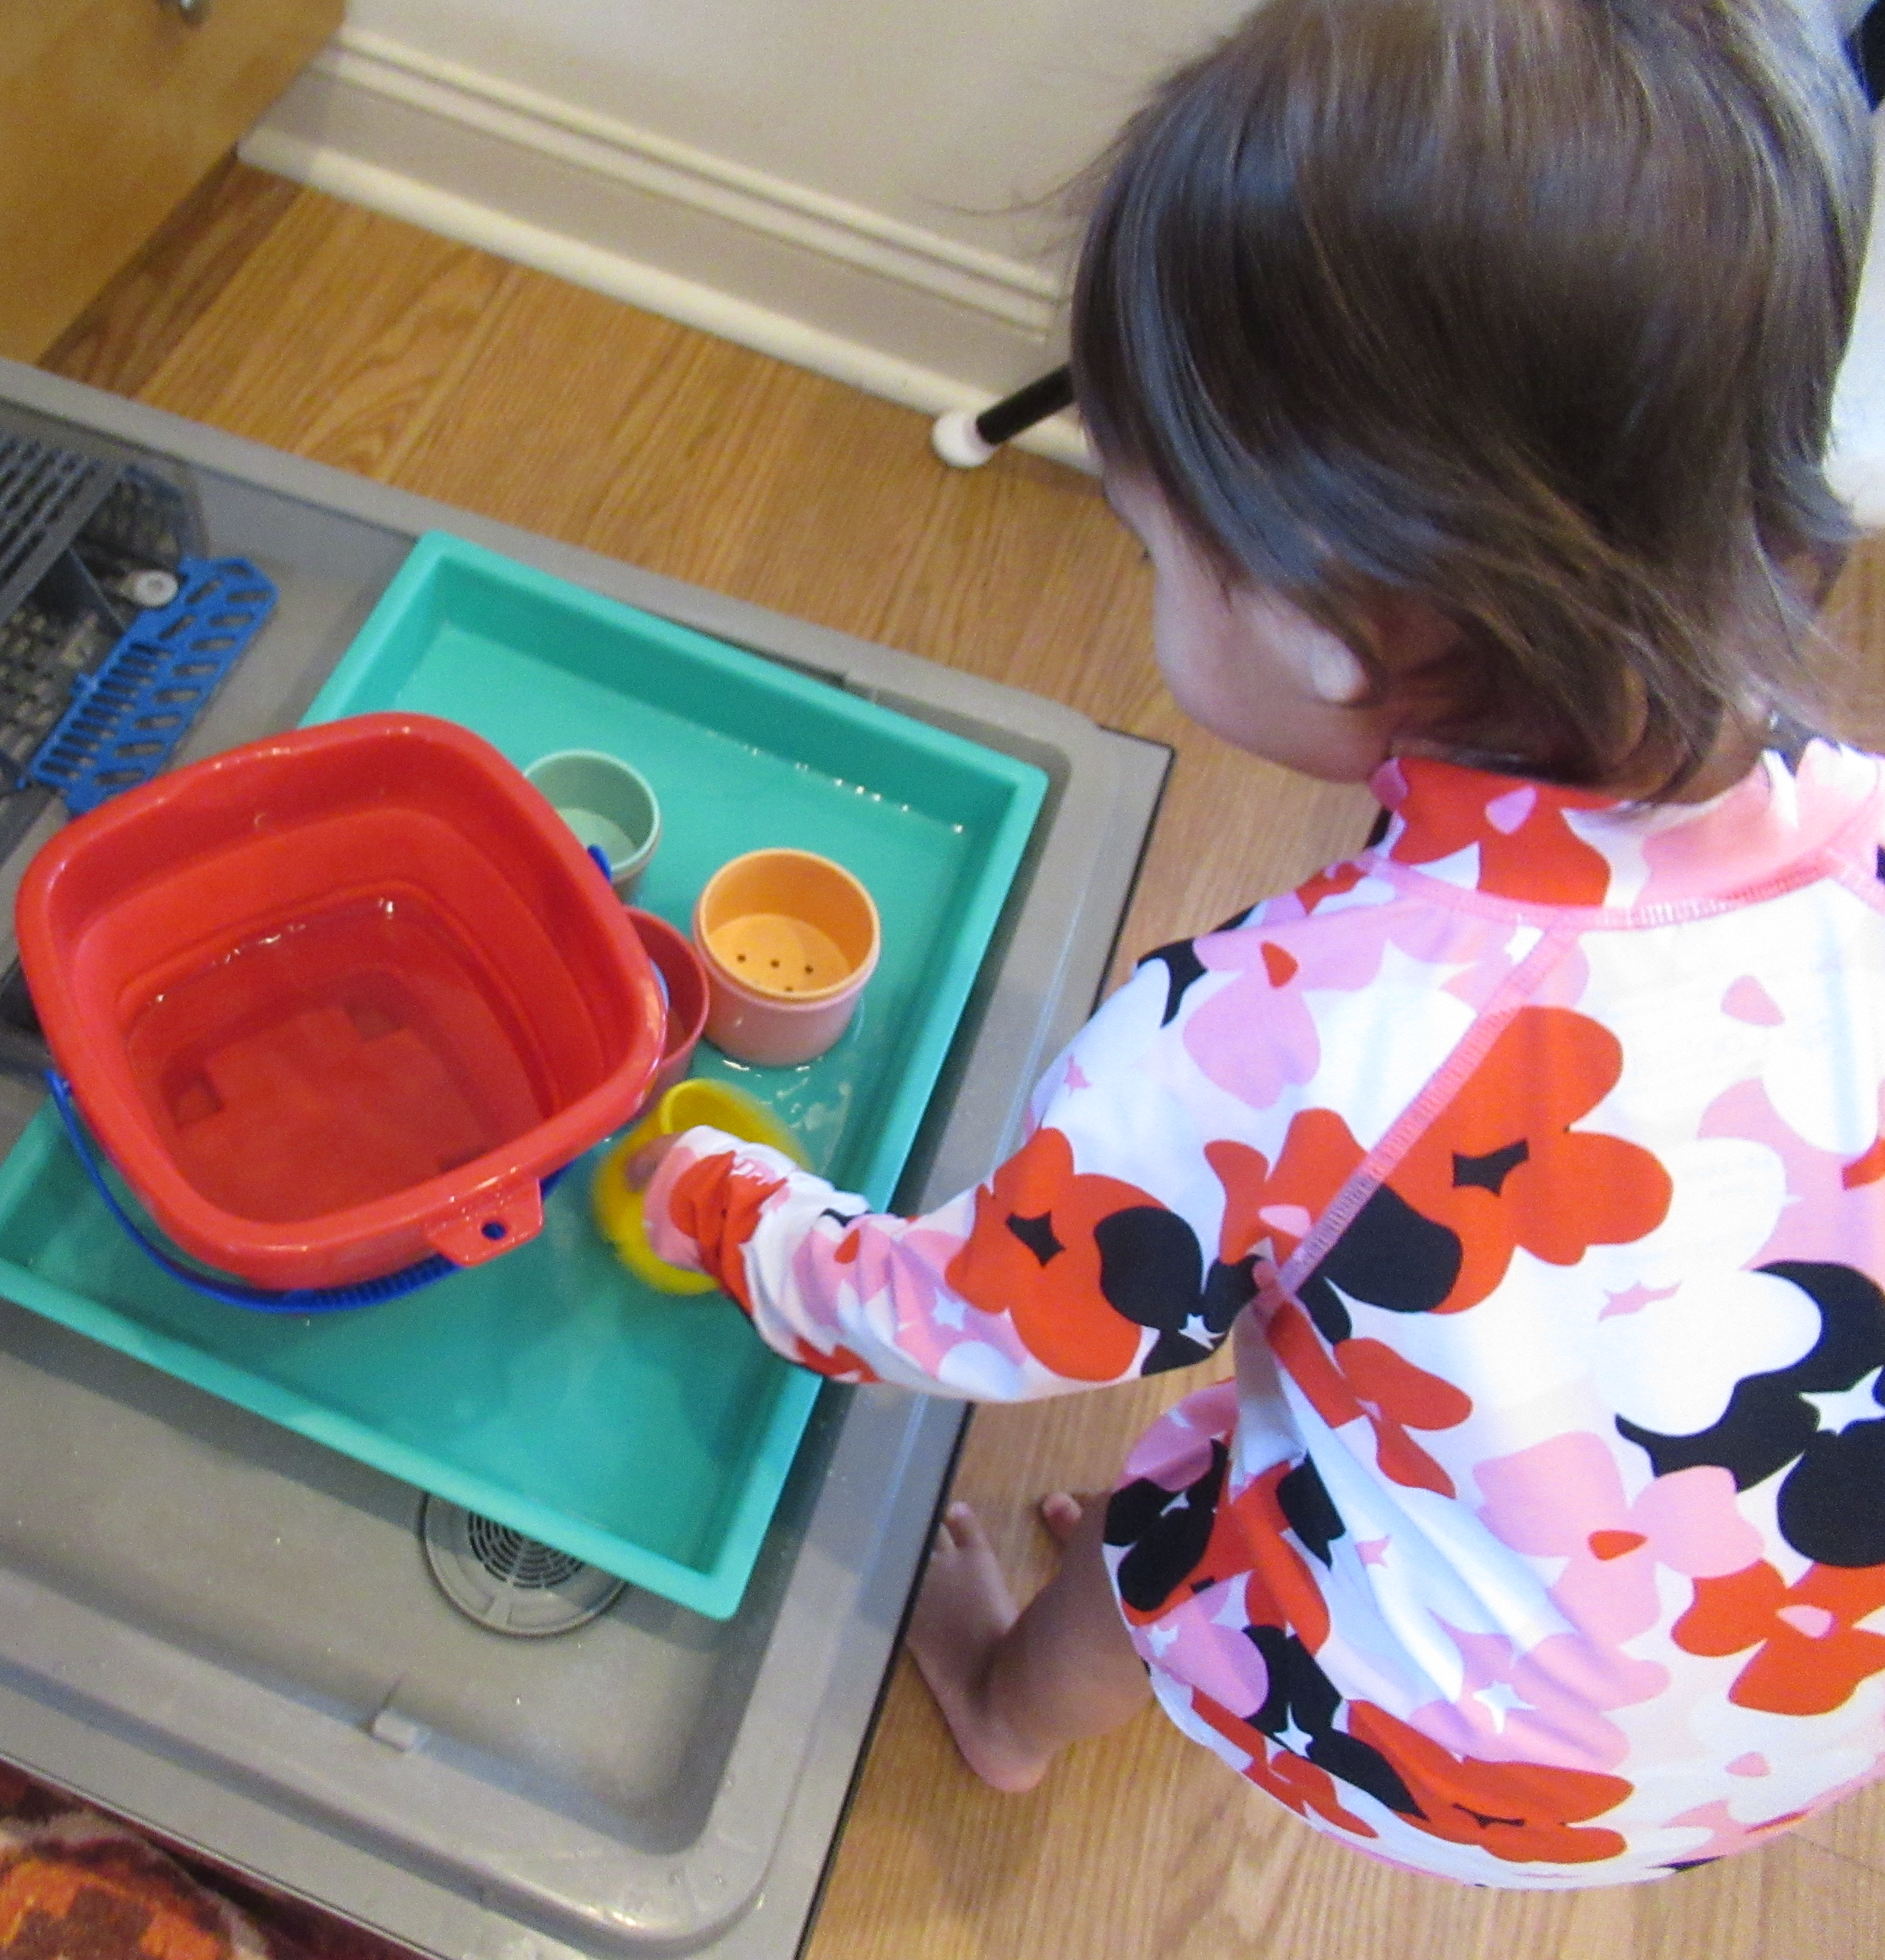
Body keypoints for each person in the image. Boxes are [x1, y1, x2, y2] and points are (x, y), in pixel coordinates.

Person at [627, 0, 1885, 1888]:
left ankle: (1003, 1706)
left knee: (1192, 1536)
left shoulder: (1269, 1050)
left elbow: (944, 1317)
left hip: (1482, 1744)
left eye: (1151, 546)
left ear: (1325, 639)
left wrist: (720, 1200)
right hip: (1800, 1682)